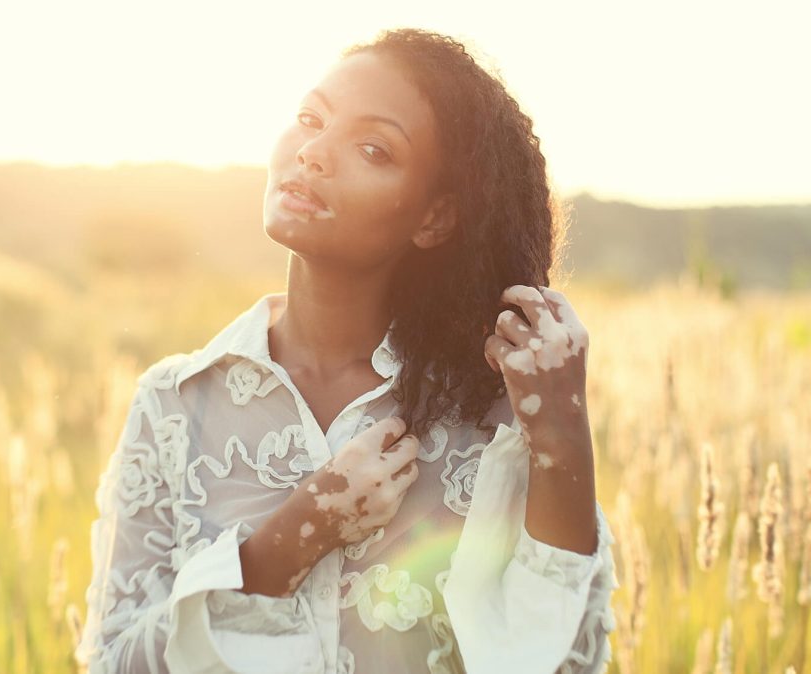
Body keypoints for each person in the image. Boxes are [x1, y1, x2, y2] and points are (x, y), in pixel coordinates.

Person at [76, 27, 618, 674]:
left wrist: (562, 439)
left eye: (372, 147)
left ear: (434, 218)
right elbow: (114, 664)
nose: (314, 152)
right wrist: (295, 534)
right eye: (310, 118)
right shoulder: (174, 404)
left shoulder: (492, 418)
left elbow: (563, 664)